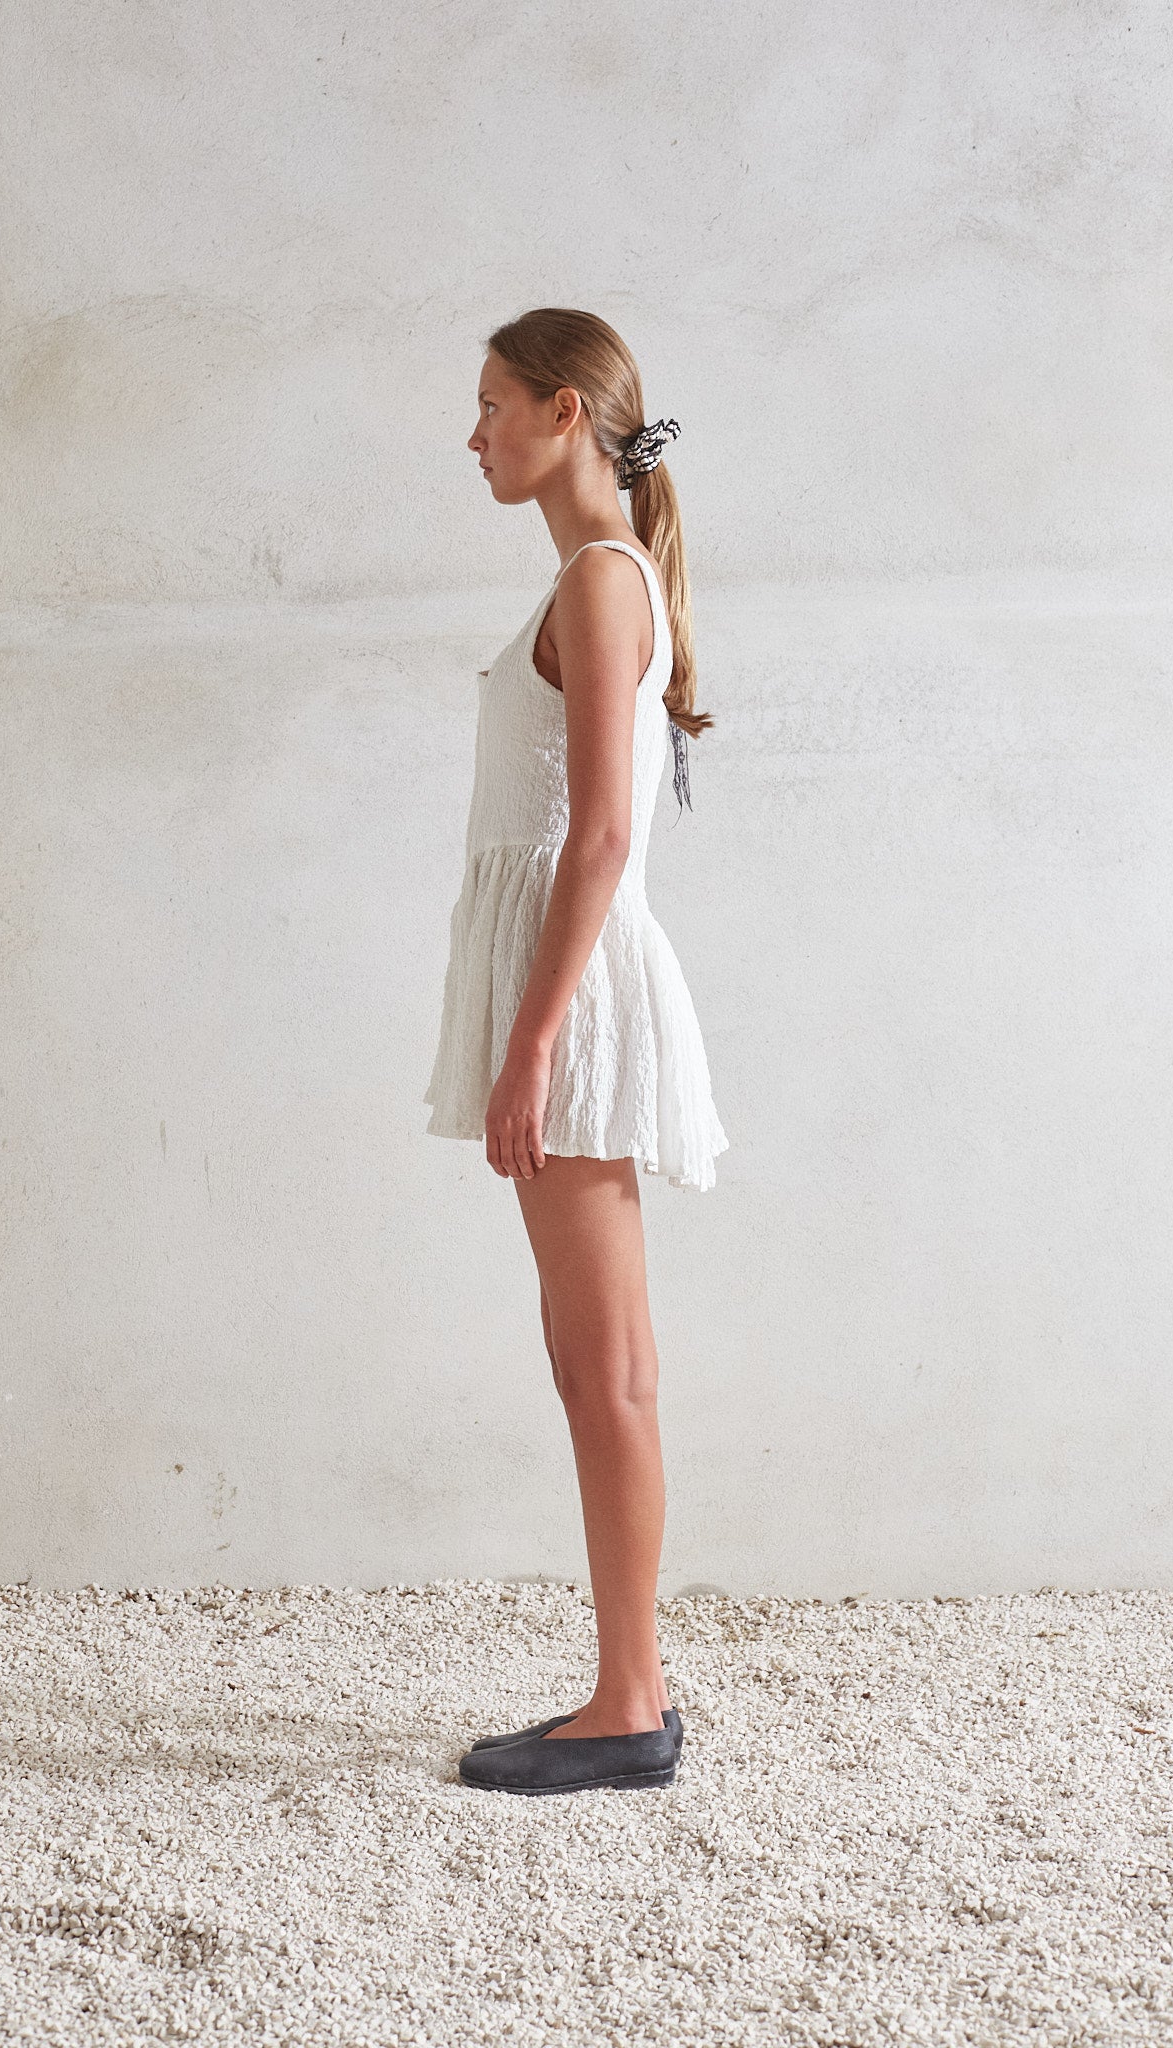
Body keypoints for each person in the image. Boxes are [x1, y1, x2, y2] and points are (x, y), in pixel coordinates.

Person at [423, 307, 729, 1795]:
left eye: (491, 403)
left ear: (562, 413)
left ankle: (628, 1706)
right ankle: (627, 1690)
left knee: (604, 1366)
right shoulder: (595, 574)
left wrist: (530, 1044)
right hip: (563, 987)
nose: (472, 433)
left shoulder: (602, 579)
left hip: (575, 999)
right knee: (593, 1358)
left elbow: (601, 835)